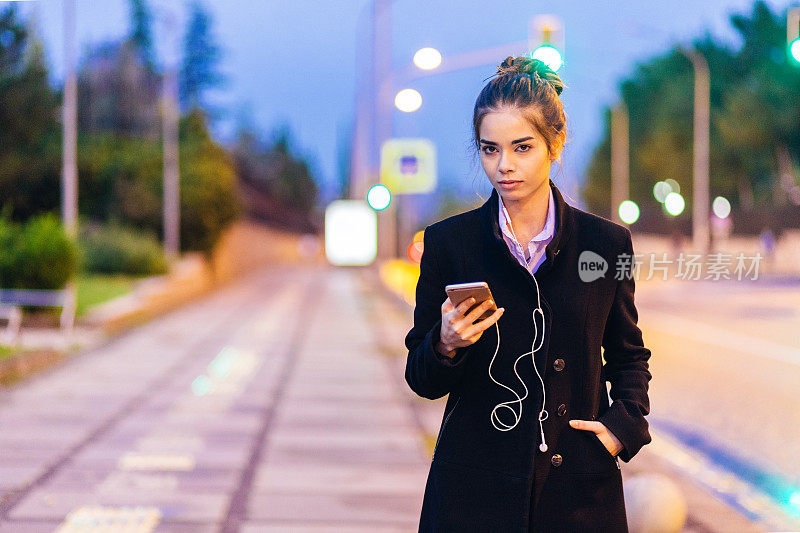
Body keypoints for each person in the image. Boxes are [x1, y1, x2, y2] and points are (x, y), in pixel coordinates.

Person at [404, 56, 652, 532]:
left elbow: (628, 355)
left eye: (522, 147)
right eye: (489, 149)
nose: (504, 166)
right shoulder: (448, 244)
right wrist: (445, 343)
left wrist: (621, 430)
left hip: (580, 492)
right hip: (471, 493)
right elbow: (422, 378)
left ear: (554, 144)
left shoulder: (606, 244)